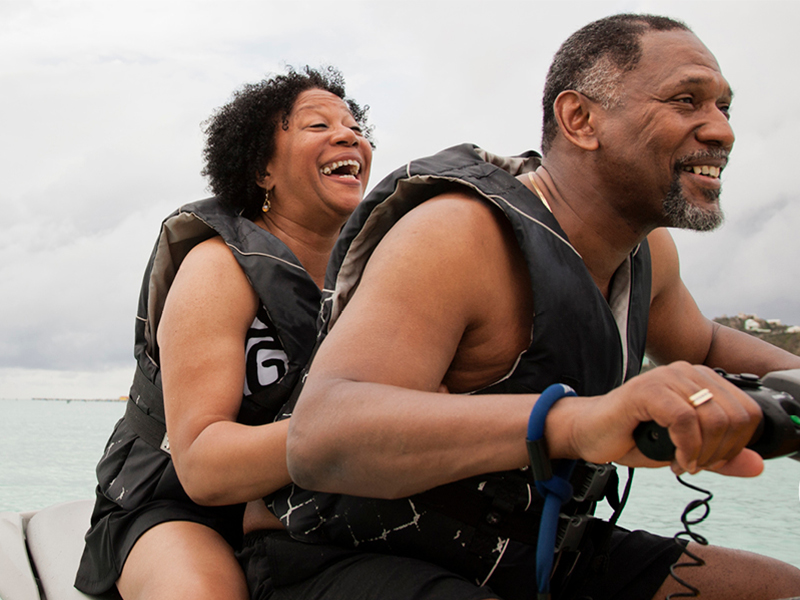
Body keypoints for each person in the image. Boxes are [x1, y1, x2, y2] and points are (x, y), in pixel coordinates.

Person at [258, 15, 800, 600]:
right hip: (348, 557)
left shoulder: (647, 257)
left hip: (536, 549)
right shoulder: (459, 234)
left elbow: (708, 346)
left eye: (724, 107)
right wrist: (578, 424)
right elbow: (320, 437)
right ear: (581, 120)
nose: (721, 131)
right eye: (687, 100)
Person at [74, 66, 373, 600]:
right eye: (315, 125)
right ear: (262, 170)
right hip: (173, 502)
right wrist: (366, 431)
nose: (348, 135)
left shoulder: (373, 277)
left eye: (353, 125)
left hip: (299, 508)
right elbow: (205, 468)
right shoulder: (217, 268)